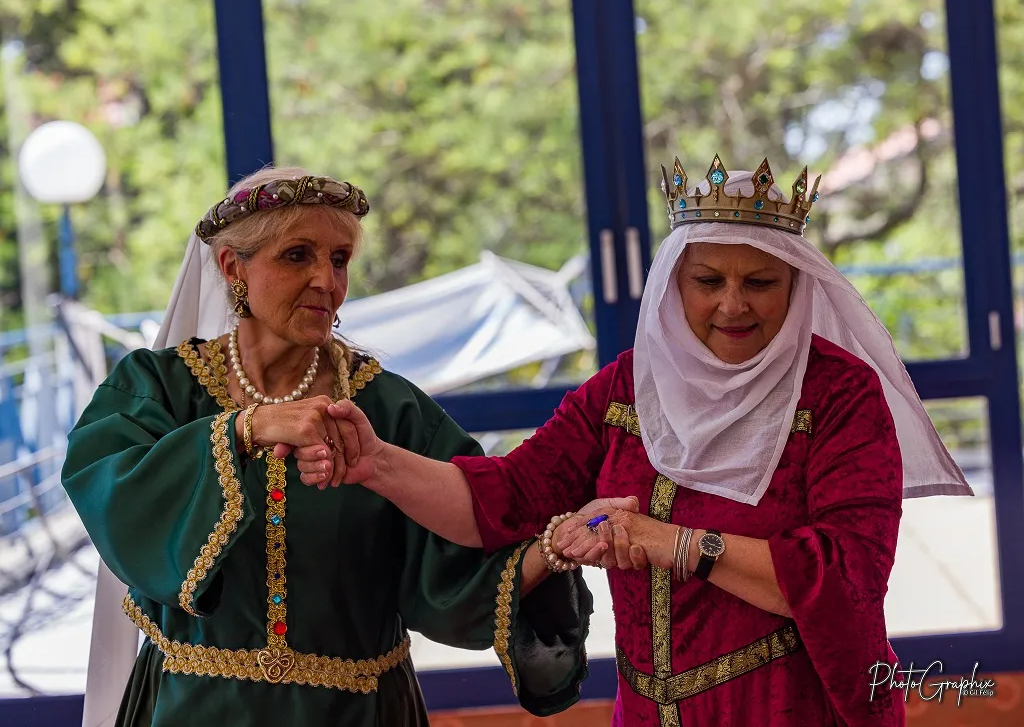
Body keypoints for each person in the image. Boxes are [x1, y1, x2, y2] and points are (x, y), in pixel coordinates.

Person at [308, 156, 972, 726]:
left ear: (796, 284)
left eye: (761, 282)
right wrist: (377, 463)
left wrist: (671, 541)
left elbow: (844, 573)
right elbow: (504, 498)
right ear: (673, 281)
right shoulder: (628, 387)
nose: (733, 305)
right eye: (709, 280)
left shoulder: (838, 395)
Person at [61, 165, 638, 727]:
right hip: (193, 708)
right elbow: (115, 492)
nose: (326, 280)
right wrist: (248, 428)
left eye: (339, 259)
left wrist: (554, 547)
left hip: (358, 711)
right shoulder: (157, 389)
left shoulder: (388, 410)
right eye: (297, 256)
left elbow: (464, 559)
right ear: (232, 266)